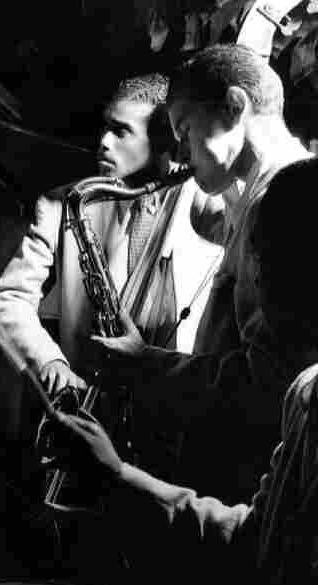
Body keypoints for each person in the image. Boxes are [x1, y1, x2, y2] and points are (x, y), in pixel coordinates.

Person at [52, 156, 318, 584]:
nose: (257, 284)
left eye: (268, 262)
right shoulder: (304, 393)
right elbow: (254, 537)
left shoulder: (306, 396)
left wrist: (117, 475)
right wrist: (117, 474)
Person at [92, 44, 314, 502]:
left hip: (248, 482)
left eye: (186, 130)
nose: (180, 151)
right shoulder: (260, 195)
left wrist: (146, 363)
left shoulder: (283, 202)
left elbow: (263, 385)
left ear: (234, 106)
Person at [0, 72, 224, 478]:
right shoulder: (63, 202)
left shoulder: (206, 199)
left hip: (172, 424)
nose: (103, 142)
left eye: (121, 131)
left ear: (163, 140)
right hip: (89, 415)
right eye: (105, 127)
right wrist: (50, 361)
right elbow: (7, 298)